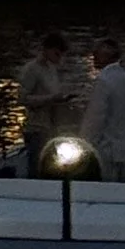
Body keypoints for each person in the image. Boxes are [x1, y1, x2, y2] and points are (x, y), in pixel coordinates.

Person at [14, 30, 86, 166]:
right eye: (57, 54)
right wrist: (51, 98)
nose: (60, 59)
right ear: (46, 50)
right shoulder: (31, 69)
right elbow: (23, 99)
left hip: (51, 128)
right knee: (37, 166)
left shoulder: (52, 69)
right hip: (36, 128)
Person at [83, 34, 125, 178]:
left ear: (106, 56)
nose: (93, 57)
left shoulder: (104, 81)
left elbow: (96, 117)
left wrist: (85, 143)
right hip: (124, 145)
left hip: (105, 148)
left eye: (96, 54)